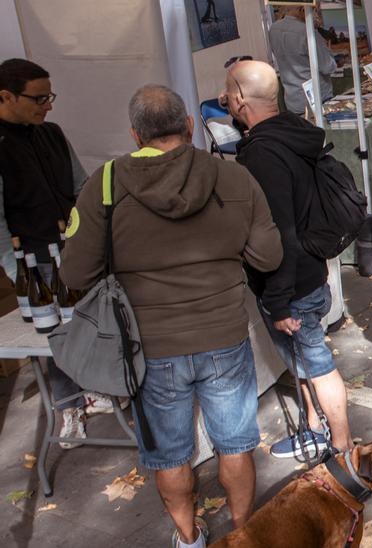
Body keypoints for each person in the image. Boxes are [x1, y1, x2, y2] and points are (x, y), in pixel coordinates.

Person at [61, 84, 283, 548]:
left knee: (169, 455)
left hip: (149, 346)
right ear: (187, 126)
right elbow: (267, 256)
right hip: (223, 335)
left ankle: (189, 538)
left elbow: (76, 271)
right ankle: (244, 533)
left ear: (135, 134)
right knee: (236, 444)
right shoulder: (234, 177)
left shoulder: (104, 183)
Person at [222, 60, 354, 458]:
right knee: (305, 361)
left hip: (293, 283)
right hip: (308, 274)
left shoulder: (263, 155)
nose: (222, 98)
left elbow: (281, 233)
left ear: (241, 98)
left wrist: (278, 300)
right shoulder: (294, 133)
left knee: (316, 362)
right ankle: (315, 427)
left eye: (227, 91)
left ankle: (342, 445)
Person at [0, 58, 112, 449]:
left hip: (73, 250)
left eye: (50, 95)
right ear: (6, 96)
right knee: (55, 335)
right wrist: (16, 269)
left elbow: (81, 187)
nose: (49, 104)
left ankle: (100, 389)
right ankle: (68, 407)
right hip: (33, 259)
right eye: (39, 97)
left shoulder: (52, 133)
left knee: (92, 319)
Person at [268, 6, 338, 115]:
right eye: (313, 10)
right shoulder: (307, 31)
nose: (315, 15)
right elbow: (328, 67)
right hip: (317, 98)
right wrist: (326, 48)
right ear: (302, 9)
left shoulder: (273, 29)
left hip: (292, 100)